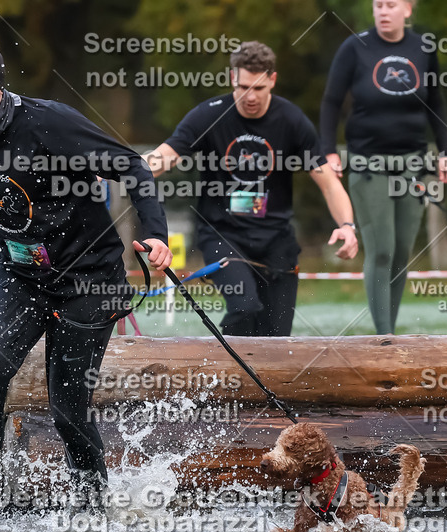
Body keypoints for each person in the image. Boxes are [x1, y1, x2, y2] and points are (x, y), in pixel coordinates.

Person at [0, 38, 172, 513]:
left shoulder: (48, 122)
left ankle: (91, 511)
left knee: (68, 407)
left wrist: (155, 234)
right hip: (21, 277)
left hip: (89, 279)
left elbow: (131, 165)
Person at [145, 41, 358, 337]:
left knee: (277, 337)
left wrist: (347, 226)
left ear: (272, 80)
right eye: (244, 86)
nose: (250, 96)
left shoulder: (292, 120)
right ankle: (226, 371)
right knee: (245, 307)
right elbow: (161, 159)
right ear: (233, 78)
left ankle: (260, 381)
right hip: (222, 235)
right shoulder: (209, 115)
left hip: (276, 240)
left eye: (258, 88)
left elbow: (328, 183)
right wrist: (115, 170)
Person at [320, 0, 447, 335]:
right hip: (369, 164)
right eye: (378, 4)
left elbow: (436, 101)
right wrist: (327, 152)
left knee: (401, 253)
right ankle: (385, 339)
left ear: (408, 10)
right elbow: (331, 102)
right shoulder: (355, 47)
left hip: (413, 164)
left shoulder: (423, 47)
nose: (382, 11)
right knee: (381, 249)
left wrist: (445, 151)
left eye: (391, 4)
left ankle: (389, 330)